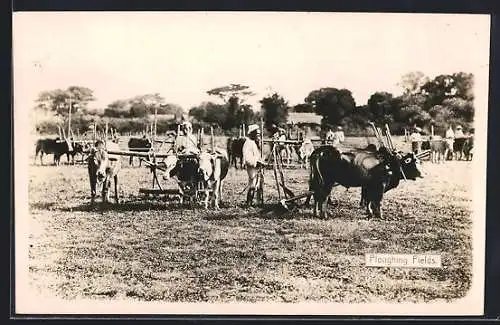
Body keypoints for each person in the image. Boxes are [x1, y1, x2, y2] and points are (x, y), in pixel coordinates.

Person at [242, 124, 265, 206]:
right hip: (252, 167)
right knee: (252, 184)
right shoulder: (248, 143)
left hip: (256, 167)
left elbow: (256, 155)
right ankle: (248, 204)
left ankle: (255, 202)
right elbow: (247, 158)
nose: (258, 136)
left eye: (259, 134)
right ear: (252, 134)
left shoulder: (253, 143)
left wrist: (260, 161)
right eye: (257, 134)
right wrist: (257, 162)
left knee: (256, 184)